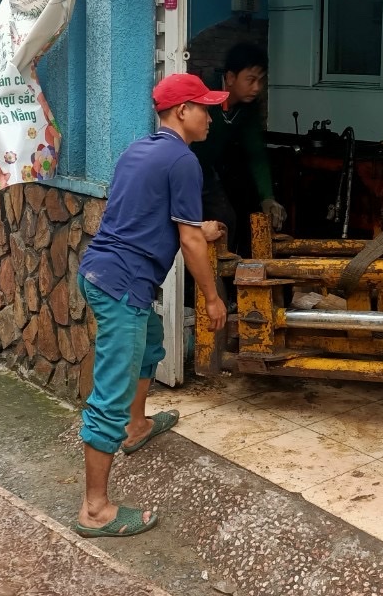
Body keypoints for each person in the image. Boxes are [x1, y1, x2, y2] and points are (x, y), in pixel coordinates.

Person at [72, 73, 229, 538]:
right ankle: (95, 510)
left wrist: (201, 228)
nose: (210, 117)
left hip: (98, 271)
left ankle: (137, 426)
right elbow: (189, 242)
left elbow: (154, 213)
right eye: (204, 108)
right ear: (182, 111)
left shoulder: (138, 150)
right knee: (110, 393)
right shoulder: (183, 160)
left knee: (152, 340)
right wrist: (212, 297)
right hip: (124, 285)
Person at [191, 42, 286, 253]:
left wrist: (267, 197)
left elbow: (256, 153)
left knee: (225, 220)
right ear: (231, 77)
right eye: (250, 80)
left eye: (261, 80)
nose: (257, 88)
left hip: (208, 173)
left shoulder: (248, 108)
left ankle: (221, 270)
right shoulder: (205, 94)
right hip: (186, 169)